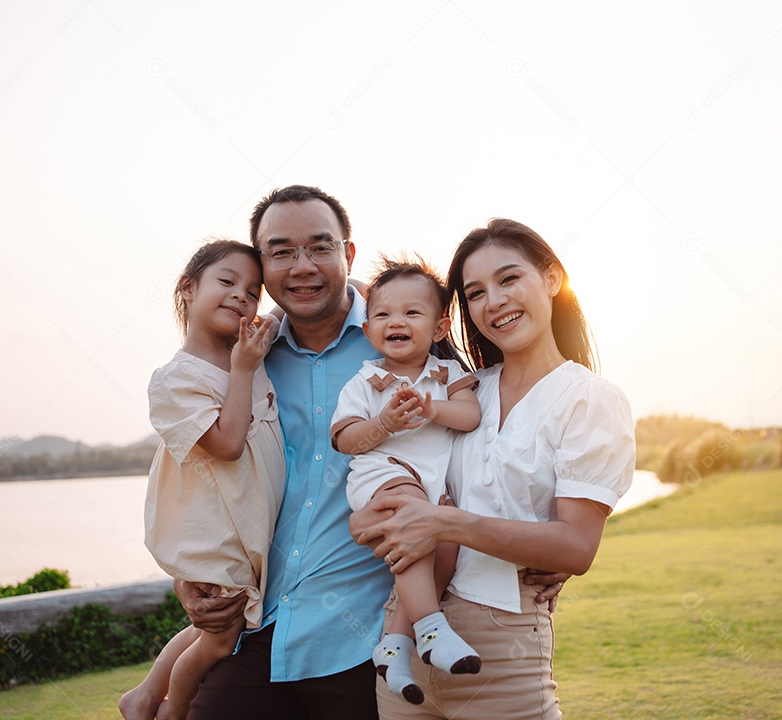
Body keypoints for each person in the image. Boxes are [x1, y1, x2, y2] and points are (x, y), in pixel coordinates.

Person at [173, 187, 567, 720]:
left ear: (348, 254)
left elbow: (502, 432)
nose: (303, 267)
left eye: (319, 247)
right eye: (281, 251)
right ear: (262, 265)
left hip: (366, 643)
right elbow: (204, 471)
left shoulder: (412, 338)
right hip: (260, 630)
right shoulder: (246, 357)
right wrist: (185, 572)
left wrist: (546, 541)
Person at [351, 218, 636, 719]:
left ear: (551, 278)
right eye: (475, 292)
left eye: (509, 279)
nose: (494, 302)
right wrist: (370, 520)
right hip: (407, 639)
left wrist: (444, 523)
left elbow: (575, 547)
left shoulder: (588, 398)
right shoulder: (460, 390)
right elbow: (392, 480)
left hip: (503, 649)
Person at [119, 239, 285, 720]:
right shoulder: (176, 379)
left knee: (216, 626)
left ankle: (146, 692)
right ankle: (165, 706)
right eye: (227, 282)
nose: (241, 297)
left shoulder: (253, 353)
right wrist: (245, 367)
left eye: (253, 291)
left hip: (250, 530)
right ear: (188, 289)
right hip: (214, 530)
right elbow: (228, 444)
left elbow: (338, 295)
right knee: (220, 637)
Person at [331, 257, 482, 705]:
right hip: (384, 477)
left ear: (439, 328)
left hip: (430, 488)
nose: (396, 321)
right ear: (366, 329)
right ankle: (432, 628)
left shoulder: (448, 375)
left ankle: (395, 645)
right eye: (382, 314)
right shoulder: (365, 382)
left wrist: (432, 408)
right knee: (417, 515)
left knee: (446, 549)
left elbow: (471, 417)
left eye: (411, 313)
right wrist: (385, 423)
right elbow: (346, 440)